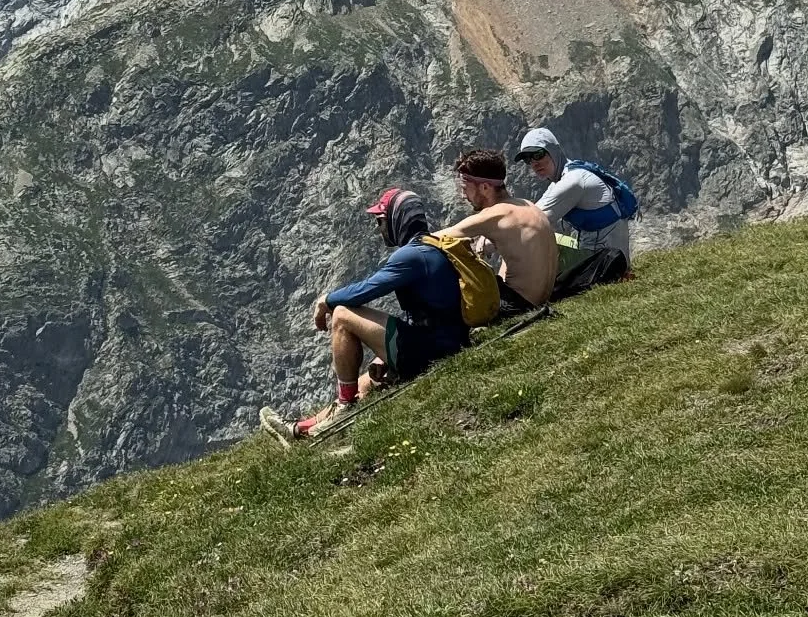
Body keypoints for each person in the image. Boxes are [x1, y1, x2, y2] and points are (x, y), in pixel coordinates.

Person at [261, 187, 469, 443]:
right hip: (445, 342)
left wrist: (326, 300)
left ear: (396, 220)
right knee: (362, 383)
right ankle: (299, 432)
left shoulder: (411, 255)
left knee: (342, 315)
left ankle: (344, 407)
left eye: (381, 221)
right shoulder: (431, 247)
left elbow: (366, 290)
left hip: (432, 349)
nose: (378, 228)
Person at [514, 126, 637, 286]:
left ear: (554, 151)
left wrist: (492, 240)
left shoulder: (573, 181)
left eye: (538, 154)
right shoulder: (566, 177)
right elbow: (531, 212)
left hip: (607, 262)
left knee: (538, 240)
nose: (534, 163)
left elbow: (532, 221)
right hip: (596, 250)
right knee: (547, 240)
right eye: (528, 159)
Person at [444, 148, 558, 315]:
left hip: (517, 306)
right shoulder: (526, 205)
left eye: (465, 187)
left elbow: (436, 239)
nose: (463, 195)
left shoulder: (495, 214)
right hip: (541, 298)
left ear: (484, 187)